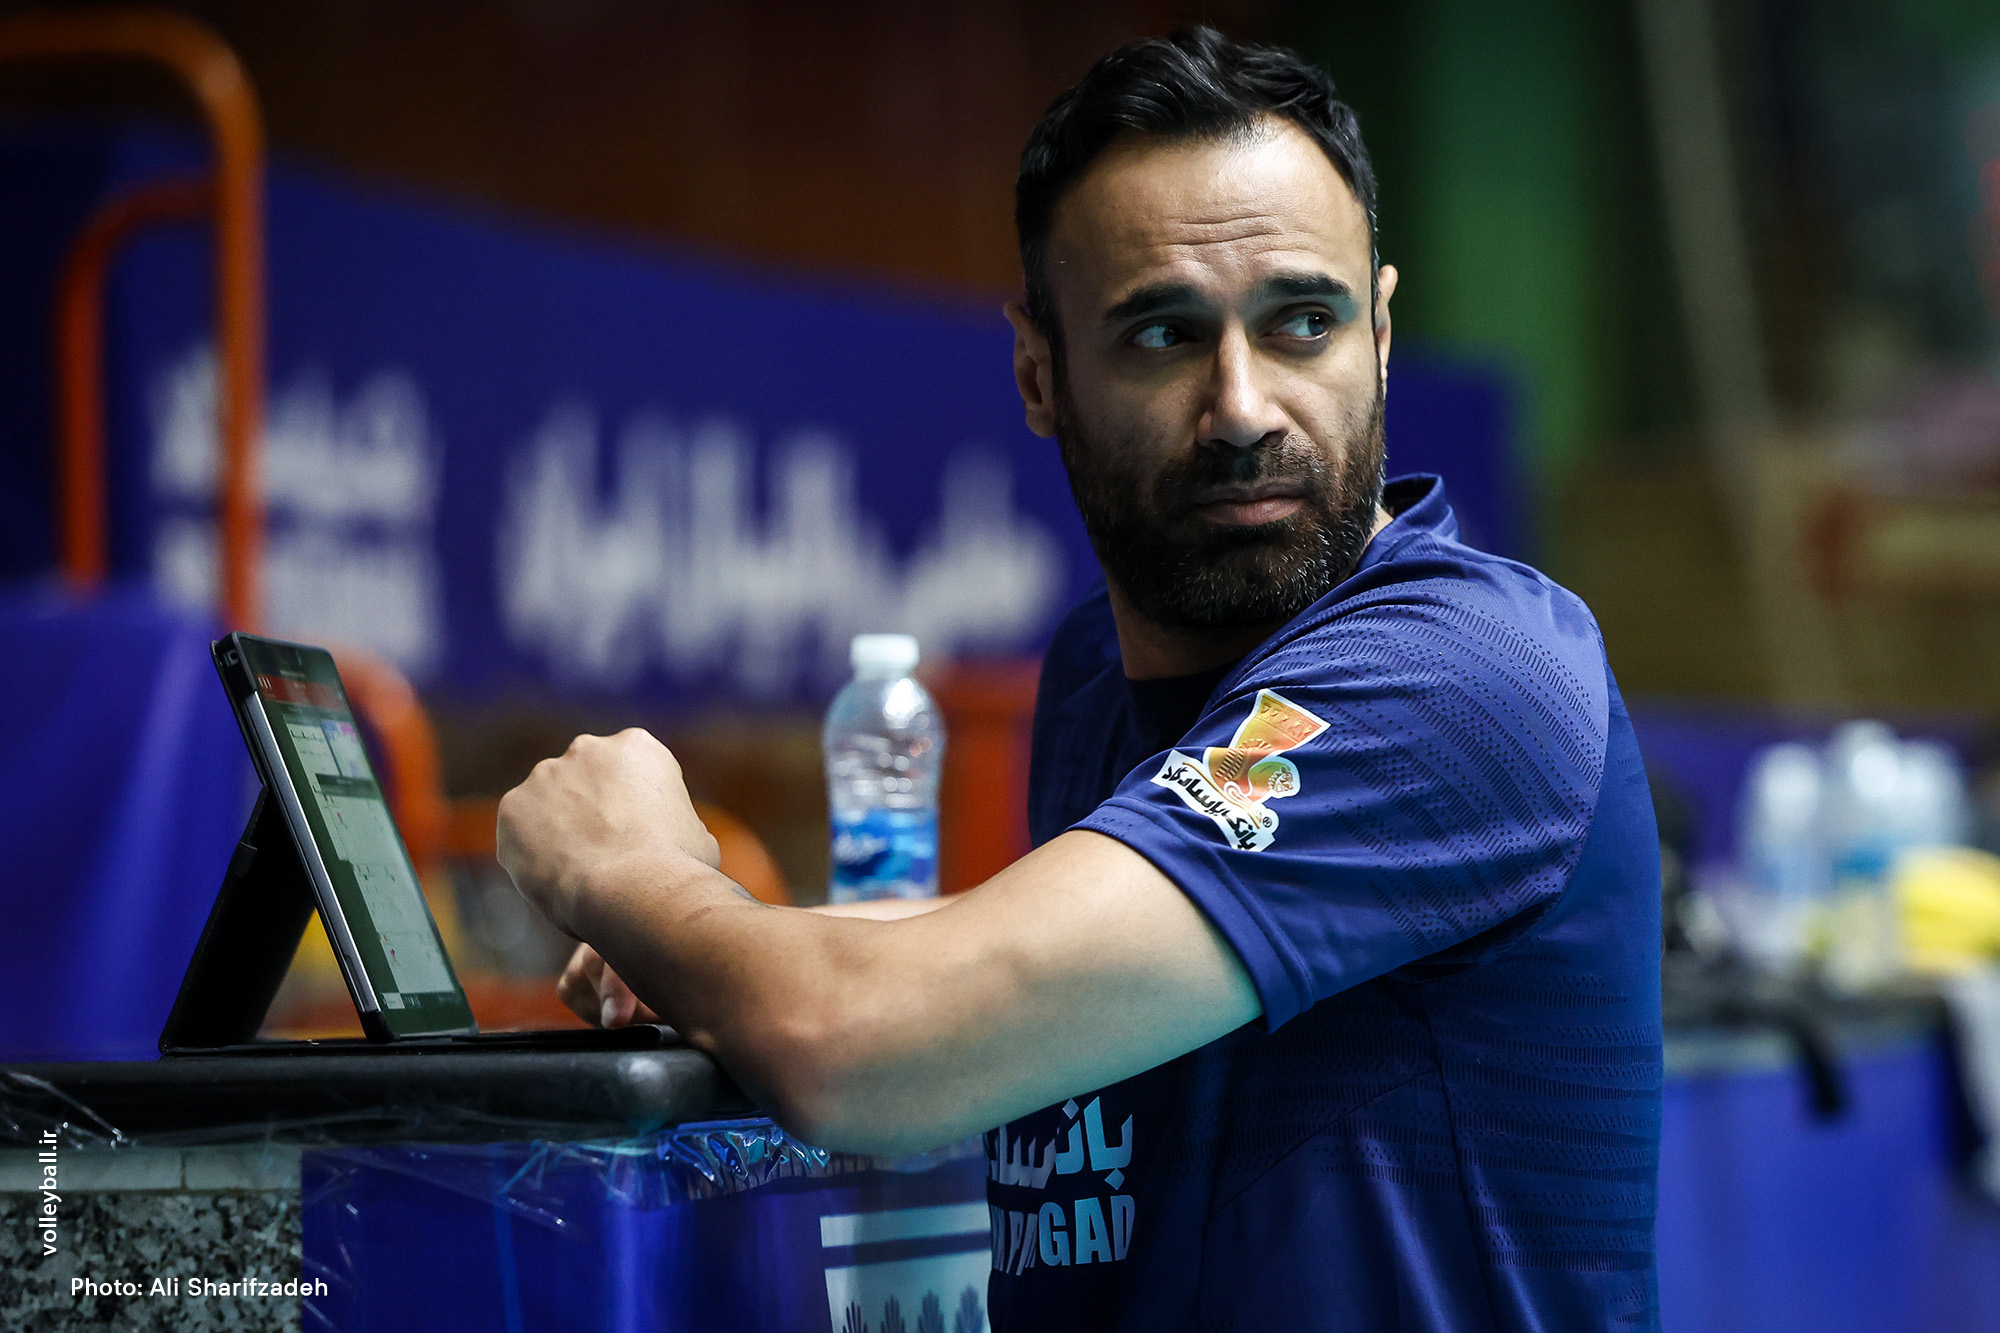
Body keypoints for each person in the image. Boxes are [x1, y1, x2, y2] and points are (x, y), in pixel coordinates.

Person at [497, 26, 1662, 1332]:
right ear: (1039, 371)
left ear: (1381, 334)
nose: (1242, 407)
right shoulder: (1094, 672)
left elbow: (861, 1050)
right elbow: (1074, 943)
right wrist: (733, 949)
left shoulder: (1462, 674)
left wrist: (632, 874)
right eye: (1164, 334)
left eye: (1303, 323)